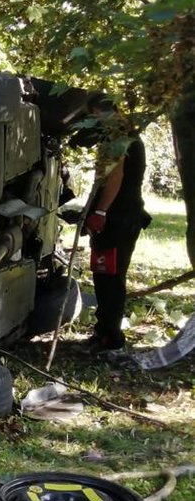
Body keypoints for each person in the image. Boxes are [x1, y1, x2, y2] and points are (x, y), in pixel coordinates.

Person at [77, 103, 152, 353]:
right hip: (113, 218)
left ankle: (112, 337)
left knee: (111, 277)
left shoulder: (120, 138)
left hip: (119, 219)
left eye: (93, 117)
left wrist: (100, 212)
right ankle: (103, 330)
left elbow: (115, 176)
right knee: (103, 274)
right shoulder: (116, 137)